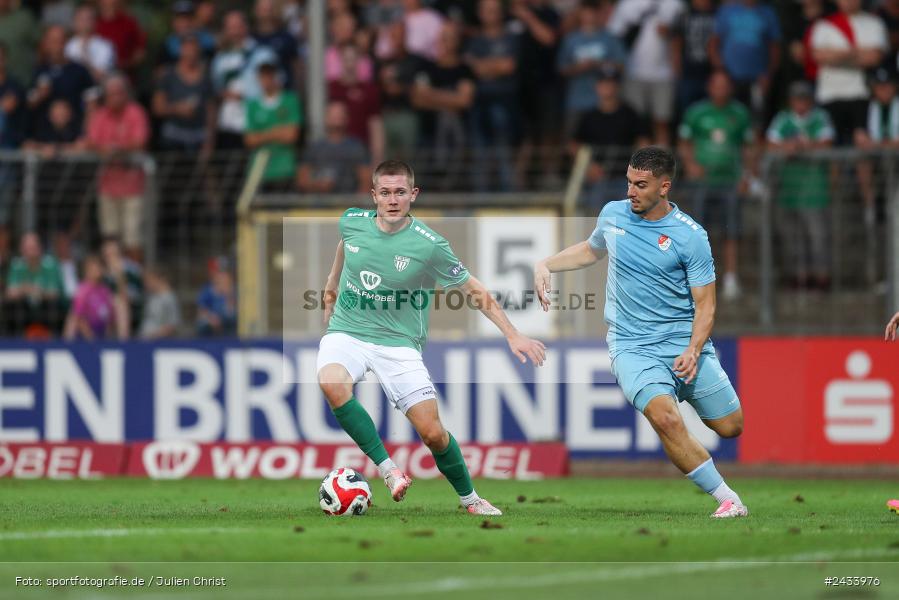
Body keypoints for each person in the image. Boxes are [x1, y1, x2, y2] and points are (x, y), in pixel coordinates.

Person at [318, 159, 545, 515]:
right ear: (374, 195)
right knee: (331, 383)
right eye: (386, 193)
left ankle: (470, 499)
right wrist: (331, 288)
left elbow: (473, 289)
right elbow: (345, 247)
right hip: (349, 331)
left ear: (413, 195)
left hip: (399, 344)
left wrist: (512, 334)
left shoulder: (430, 245)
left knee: (433, 434)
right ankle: (389, 470)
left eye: (401, 193)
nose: (393, 200)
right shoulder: (351, 221)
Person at [534, 146, 748, 518]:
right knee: (665, 419)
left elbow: (707, 306)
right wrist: (546, 264)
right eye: (629, 182)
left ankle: (680, 397)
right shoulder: (613, 214)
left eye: (641, 185)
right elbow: (591, 250)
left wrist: (695, 349)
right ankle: (728, 499)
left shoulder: (690, 236)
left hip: (685, 344)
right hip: (631, 346)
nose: (631, 192)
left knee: (731, 426)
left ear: (664, 187)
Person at [678, 71, 753, 301]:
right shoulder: (696, 113)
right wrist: (690, 166)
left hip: (729, 181)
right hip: (702, 183)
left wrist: (746, 176)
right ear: (709, 87)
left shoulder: (740, 113)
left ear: (730, 88)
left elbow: (749, 147)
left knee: (732, 231)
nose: (720, 89)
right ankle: (698, 280)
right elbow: (684, 142)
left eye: (724, 85)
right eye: (716, 85)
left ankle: (731, 278)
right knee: (697, 234)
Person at [766, 80, 835, 291]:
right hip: (789, 190)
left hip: (815, 190)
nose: (801, 103)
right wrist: (792, 147)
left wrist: (805, 147)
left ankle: (821, 280)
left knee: (818, 238)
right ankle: (798, 279)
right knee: (792, 238)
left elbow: (827, 143)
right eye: (797, 99)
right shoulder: (783, 119)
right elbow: (770, 144)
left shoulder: (820, 118)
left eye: (804, 99)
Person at [82, 74, 150, 261]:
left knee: (132, 239)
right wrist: (110, 150)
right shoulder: (100, 115)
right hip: (107, 186)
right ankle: (115, 281)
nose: (115, 98)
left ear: (126, 94)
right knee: (111, 239)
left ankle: (134, 283)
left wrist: (115, 150)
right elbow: (91, 142)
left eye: (119, 93)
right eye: (111, 94)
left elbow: (140, 141)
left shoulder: (136, 112)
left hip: (133, 187)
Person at [245, 59, 302, 189]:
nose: (266, 81)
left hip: (285, 168)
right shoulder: (252, 105)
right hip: (260, 170)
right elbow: (249, 139)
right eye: (262, 77)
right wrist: (277, 132)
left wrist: (262, 135)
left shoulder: (290, 100)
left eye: (269, 76)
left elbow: (291, 135)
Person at [296, 101, 369, 194]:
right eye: (333, 115)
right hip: (319, 205)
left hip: (348, 203)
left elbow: (366, 181)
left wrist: (356, 206)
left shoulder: (356, 147)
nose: (336, 119)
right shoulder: (314, 147)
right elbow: (302, 180)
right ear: (325, 118)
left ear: (347, 118)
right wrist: (318, 185)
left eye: (339, 115)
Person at [63, 255, 115, 340]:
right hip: (85, 336)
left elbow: (110, 318)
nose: (97, 270)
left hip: (102, 333)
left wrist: (107, 337)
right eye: (93, 268)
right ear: (87, 270)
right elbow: (79, 317)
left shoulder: (105, 290)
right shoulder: (83, 290)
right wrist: (90, 338)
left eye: (99, 267)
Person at [139, 267, 181, 339]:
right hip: (145, 340)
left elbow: (172, 324)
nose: (146, 284)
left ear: (158, 279)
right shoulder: (151, 297)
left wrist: (153, 335)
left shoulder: (169, 299)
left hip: (156, 342)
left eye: (149, 280)